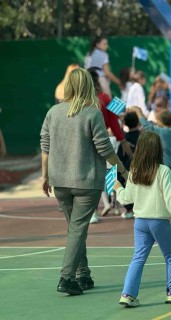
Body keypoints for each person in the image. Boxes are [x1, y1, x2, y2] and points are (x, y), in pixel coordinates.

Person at [40, 68, 128, 295]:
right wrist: (123, 169)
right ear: (90, 86)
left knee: (75, 229)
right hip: (86, 180)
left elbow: (45, 144)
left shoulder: (54, 112)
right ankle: (66, 278)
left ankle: (83, 274)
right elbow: (104, 147)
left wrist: (45, 175)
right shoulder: (92, 113)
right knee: (77, 229)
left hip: (59, 179)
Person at [114, 131, 171, 307]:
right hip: (159, 221)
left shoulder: (134, 171)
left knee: (138, 257)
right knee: (170, 256)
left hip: (140, 222)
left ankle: (128, 293)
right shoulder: (163, 171)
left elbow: (126, 199)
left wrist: (117, 188)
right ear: (157, 149)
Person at [88, 68, 133, 223]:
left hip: (88, 143)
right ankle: (117, 203)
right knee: (111, 173)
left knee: (92, 178)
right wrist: (123, 140)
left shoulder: (81, 101)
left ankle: (95, 211)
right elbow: (114, 122)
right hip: (104, 141)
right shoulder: (104, 98)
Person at [138, 108, 171, 184]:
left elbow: (146, 126)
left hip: (162, 167)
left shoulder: (161, 132)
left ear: (161, 121)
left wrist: (138, 112)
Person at [117, 112, 141, 219]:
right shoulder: (143, 136)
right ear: (138, 122)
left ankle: (129, 208)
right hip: (142, 167)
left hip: (128, 169)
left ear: (125, 123)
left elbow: (119, 157)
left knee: (123, 184)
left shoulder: (124, 139)